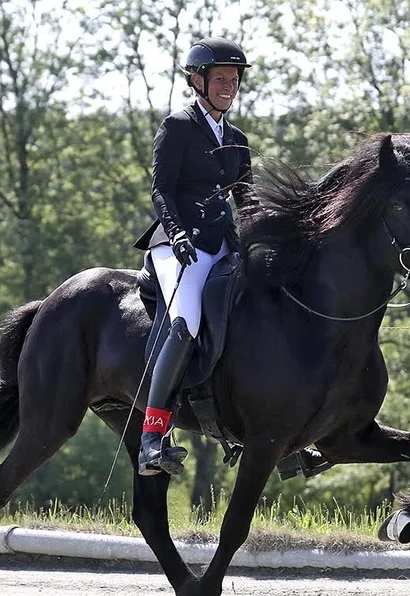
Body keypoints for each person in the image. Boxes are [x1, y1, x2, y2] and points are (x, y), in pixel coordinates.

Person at [132, 37, 255, 476]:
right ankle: (152, 437)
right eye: (221, 78)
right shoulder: (178, 125)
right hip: (177, 246)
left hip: (223, 245)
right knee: (185, 325)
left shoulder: (237, 139)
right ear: (197, 80)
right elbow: (161, 189)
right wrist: (178, 231)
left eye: (235, 78)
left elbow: (249, 202)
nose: (229, 85)